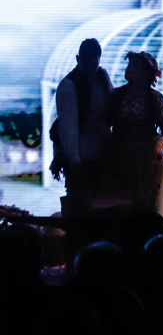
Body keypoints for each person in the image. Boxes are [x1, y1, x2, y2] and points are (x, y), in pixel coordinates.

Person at [103, 51, 163, 230]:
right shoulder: (117, 95)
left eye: (135, 66)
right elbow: (105, 121)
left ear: (145, 73)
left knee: (145, 200)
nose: (129, 68)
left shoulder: (155, 98)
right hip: (119, 155)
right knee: (120, 200)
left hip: (145, 157)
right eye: (129, 65)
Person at [52, 38, 113, 217]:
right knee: (81, 209)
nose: (91, 69)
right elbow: (68, 128)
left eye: (94, 64)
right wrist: (75, 162)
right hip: (82, 156)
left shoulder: (101, 76)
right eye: (87, 64)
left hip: (102, 152)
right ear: (78, 59)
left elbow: (112, 103)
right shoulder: (69, 86)